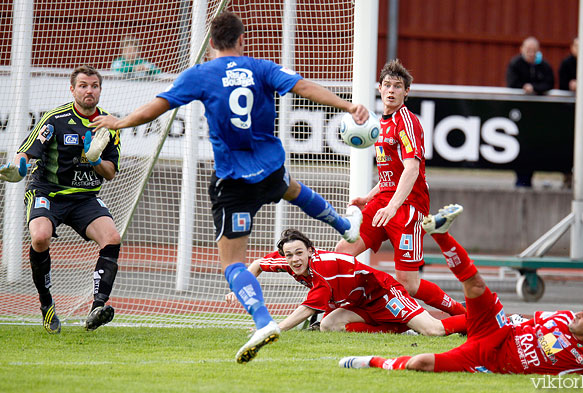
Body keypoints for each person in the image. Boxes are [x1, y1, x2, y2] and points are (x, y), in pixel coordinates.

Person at [90, 11, 368, 363]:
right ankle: (344, 224)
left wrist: (120, 121)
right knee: (292, 190)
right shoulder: (261, 67)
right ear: (240, 40)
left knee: (234, 264)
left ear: (211, 43)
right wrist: (348, 105)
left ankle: (263, 321)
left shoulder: (202, 74)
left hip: (233, 180)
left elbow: (155, 108)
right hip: (269, 167)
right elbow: (302, 87)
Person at [339, 238, 583, 381]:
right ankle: (444, 236)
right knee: (476, 286)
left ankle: (372, 361)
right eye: (582, 310)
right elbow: (524, 322)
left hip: (487, 357)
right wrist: (496, 322)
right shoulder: (557, 317)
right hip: (496, 329)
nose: (577, 314)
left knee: (420, 364)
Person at [333, 59, 466, 318]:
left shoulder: (407, 122)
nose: (391, 90)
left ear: (407, 92)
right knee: (342, 253)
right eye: (387, 85)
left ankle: (462, 314)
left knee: (408, 284)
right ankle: (336, 309)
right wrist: (369, 197)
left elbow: (411, 169)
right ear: (379, 89)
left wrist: (393, 206)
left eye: (398, 86)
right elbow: (389, 174)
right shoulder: (379, 124)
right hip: (383, 201)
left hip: (407, 207)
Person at [0, 65, 121, 334]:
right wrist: (18, 166)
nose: (89, 91)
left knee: (112, 238)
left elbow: (110, 173)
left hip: (84, 198)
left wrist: (96, 159)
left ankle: (97, 309)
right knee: (40, 237)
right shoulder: (56, 119)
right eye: (83, 86)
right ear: (73, 89)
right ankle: (47, 305)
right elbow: (26, 152)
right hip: (48, 192)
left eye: (94, 86)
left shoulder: (109, 124)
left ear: (100, 89)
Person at [226, 226, 469, 336]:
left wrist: (272, 328)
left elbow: (305, 310)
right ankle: (401, 329)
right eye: (289, 255)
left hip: (382, 294)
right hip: (357, 302)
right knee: (328, 325)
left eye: (299, 253)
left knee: (434, 331)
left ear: (310, 251)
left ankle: (485, 320)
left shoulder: (322, 270)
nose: (294, 259)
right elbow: (257, 264)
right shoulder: (288, 260)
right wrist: (241, 291)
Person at [506, 37, 554, 188]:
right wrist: (524, 87)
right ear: (522, 49)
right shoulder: (515, 64)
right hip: (519, 115)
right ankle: (521, 180)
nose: (531, 53)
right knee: (520, 147)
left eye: (534, 50)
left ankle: (530, 179)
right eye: (528, 50)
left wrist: (534, 88)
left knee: (533, 147)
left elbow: (549, 83)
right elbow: (512, 83)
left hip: (537, 116)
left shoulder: (544, 66)